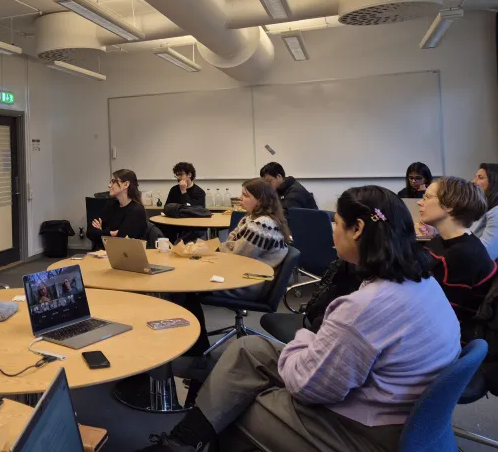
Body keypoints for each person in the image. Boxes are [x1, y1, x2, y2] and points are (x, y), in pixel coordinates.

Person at [139, 185, 460, 452]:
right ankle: (182, 442)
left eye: (336, 223)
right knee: (248, 348)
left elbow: (310, 388)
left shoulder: (364, 306)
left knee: (242, 404)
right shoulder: (421, 283)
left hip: (365, 431)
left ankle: (190, 440)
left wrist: (308, 338)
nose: (332, 232)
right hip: (392, 406)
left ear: (358, 229)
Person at [419, 176, 496, 341]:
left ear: (450, 206)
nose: (420, 202)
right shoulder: (440, 241)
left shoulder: (462, 256)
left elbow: (447, 318)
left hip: (446, 340)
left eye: (427, 197)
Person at [220, 178, 290, 270]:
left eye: (245, 195)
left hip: (256, 276)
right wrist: (228, 247)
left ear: (260, 200)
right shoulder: (249, 218)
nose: (239, 198)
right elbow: (232, 239)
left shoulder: (262, 224)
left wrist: (220, 248)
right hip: (248, 269)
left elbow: (238, 257)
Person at [87, 169, 148, 248]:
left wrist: (101, 232)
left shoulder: (136, 211)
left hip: (124, 258)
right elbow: (89, 232)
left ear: (125, 185)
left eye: (113, 181)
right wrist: (111, 234)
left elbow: (120, 243)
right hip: (103, 254)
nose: (109, 185)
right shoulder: (111, 204)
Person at [472, 163, 498, 259]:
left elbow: (487, 253)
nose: (474, 181)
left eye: (480, 177)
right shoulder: (481, 207)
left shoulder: (496, 212)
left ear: (494, 182)